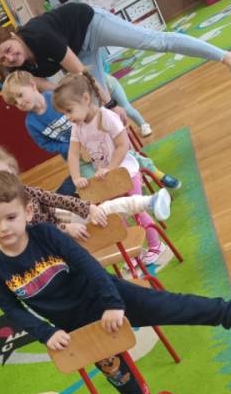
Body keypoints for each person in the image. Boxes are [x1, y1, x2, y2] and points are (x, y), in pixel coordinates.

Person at [0, 171, 231, 394]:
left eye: (11, 217)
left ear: (28, 212)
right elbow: (10, 308)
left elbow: (87, 265)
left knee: (173, 306)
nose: (4, 228)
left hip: (106, 296)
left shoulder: (46, 234)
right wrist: (46, 332)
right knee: (120, 379)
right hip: (78, 328)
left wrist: (112, 303)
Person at [0, 1, 231, 101]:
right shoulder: (19, 66)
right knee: (94, 104)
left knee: (155, 42)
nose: (9, 58)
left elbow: (77, 70)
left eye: (8, 49)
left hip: (89, 24)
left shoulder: (39, 35)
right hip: (78, 51)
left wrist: (107, 99)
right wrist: (76, 97)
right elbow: (41, 84)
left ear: (14, 36)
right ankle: (130, 164)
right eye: (3, 59)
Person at [1, 70, 181, 190]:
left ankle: (157, 174)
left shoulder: (55, 98)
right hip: (77, 155)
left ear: (32, 85)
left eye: (20, 95)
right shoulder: (31, 123)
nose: (20, 102)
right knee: (95, 181)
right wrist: (72, 149)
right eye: (15, 102)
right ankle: (123, 195)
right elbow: (46, 144)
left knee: (129, 156)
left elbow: (85, 109)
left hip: (97, 140)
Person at [53, 71, 164, 265]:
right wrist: (76, 177)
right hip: (105, 178)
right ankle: (132, 252)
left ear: (86, 99)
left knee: (136, 210)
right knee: (115, 217)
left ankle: (156, 246)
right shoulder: (78, 127)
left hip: (125, 172)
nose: (68, 117)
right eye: (64, 114)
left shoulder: (107, 117)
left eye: (69, 111)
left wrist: (110, 168)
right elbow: (73, 154)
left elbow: (123, 145)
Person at [0, 143, 171, 242]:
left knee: (102, 211)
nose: (0, 181)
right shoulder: (0, 215)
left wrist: (88, 208)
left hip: (61, 220)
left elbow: (58, 199)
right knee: (102, 215)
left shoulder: (26, 191)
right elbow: (36, 230)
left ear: (13, 171)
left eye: (4, 173)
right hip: (53, 240)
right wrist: (65, 228)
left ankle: (148, 202)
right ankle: (146, 203)